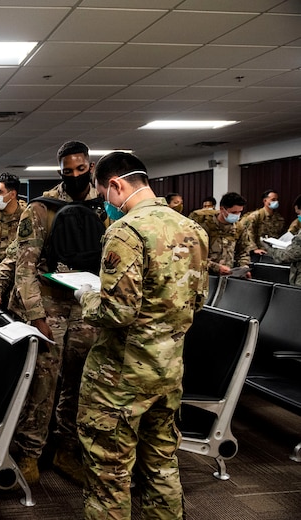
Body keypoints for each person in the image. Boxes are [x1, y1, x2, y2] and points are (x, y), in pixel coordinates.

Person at [74, 152, 208, 519]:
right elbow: (198, 299)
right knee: (162, 466)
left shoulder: (125, 230)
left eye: (104, 196)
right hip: (167, 371)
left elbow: (116, 311)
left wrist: (86, 296)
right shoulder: (193, 229)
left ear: (115, 185)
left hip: (120, 377)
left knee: (109, 474)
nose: (107, 205)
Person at [0, 141, 106, 484]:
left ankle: (67, 448)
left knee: (80, 382)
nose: (77, 176)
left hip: (86, 305)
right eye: (69, 171)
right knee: (43, 383)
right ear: (60, 172)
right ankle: (28, 451)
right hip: (49, 306)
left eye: (82, 170)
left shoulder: (103, 207)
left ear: (91, 167)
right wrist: (36, 316)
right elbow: (25, 266)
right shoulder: (41, 208)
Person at [190, 192, 251, 276]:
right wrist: (215, 267)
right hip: (204, 275)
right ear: (222, 209)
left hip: (227, 275)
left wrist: (244, 268)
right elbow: (193, 252)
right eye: (233, 212)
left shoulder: (239, 228)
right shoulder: (204, 224)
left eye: (239, 212)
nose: (237, 215)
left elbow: (243, 252)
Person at [239, 189, 285, 256]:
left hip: (274, 252)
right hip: (259, 252)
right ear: (265, 200)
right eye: (273, 199)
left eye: (277, 199)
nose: (276, 202)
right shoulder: (256, 216)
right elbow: (248, 233)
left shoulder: (278, 218)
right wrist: (254, 249)